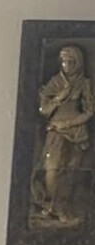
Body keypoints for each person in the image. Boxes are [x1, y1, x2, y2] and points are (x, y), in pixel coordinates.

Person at [31, 44, 94, 227]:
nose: (67, 65)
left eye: (70, 61)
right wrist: (59, 97)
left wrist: (68, 123)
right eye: (64, 61)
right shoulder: (55, 82)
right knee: (52, 169)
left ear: (78, 62)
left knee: (71, 171)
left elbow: (89, 111)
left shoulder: (84, 83)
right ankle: (51, 205)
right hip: (55, 133)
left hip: (76, 132)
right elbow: (44, 109)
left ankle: (62, 208)